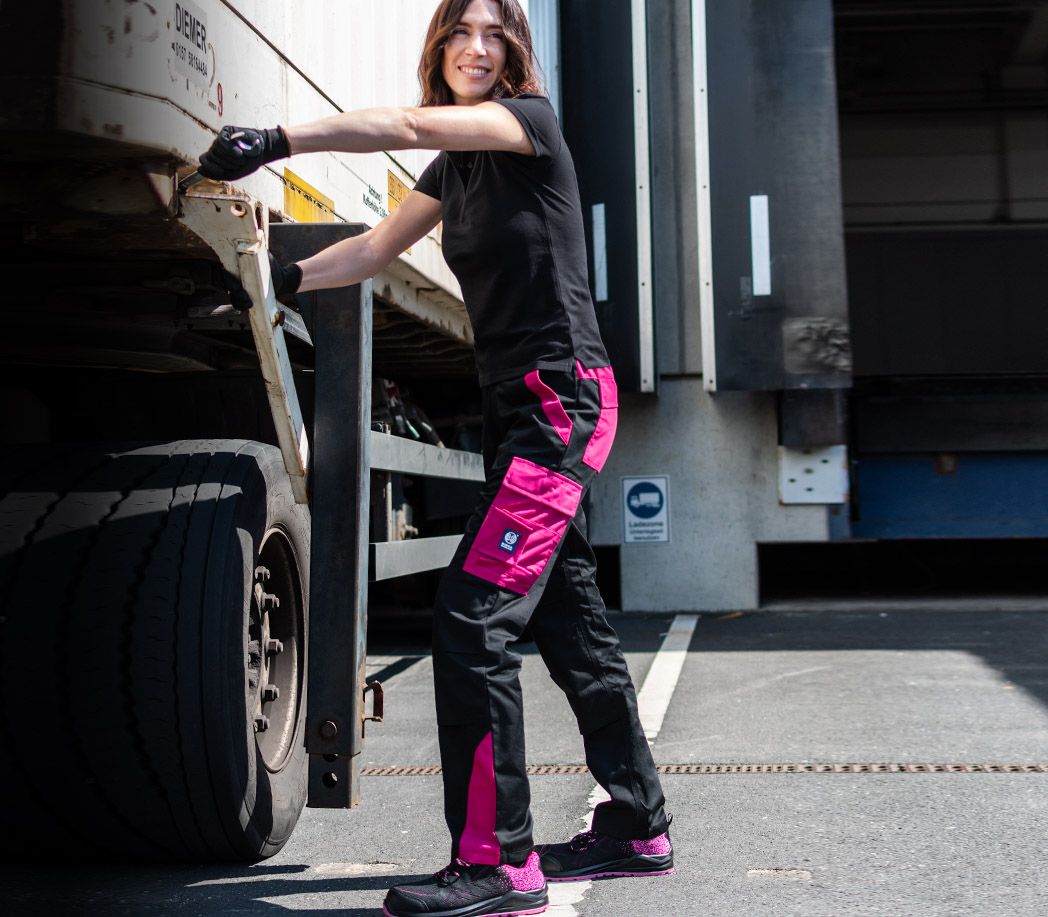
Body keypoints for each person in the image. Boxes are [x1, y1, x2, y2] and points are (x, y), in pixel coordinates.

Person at [197, 1, 672, 914]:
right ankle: (637, 824)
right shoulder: (454, 169)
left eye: (496, 34)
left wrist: (275, 141)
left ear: (515, 52)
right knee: (568, 617)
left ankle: (499, 862)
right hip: (519, 410)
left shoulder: (527, 125)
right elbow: (372, 249)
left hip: (560, 404)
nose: (477, 48)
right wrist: (277, 280)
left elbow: (410, 123)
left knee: (472, 617)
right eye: (462, 32)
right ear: (440, 44)